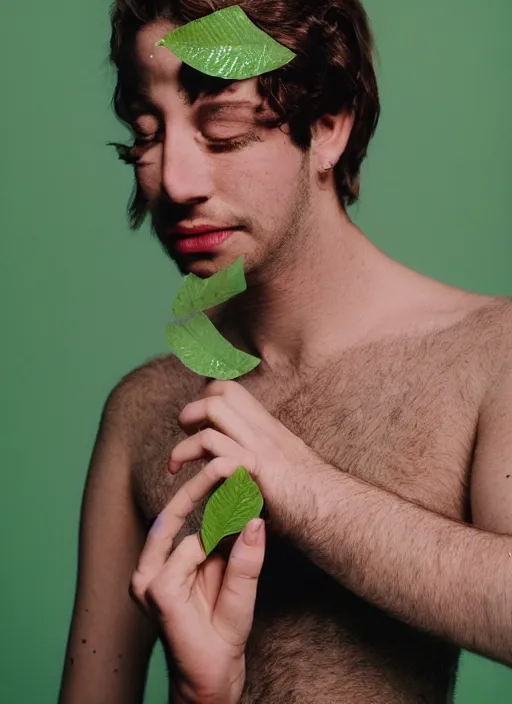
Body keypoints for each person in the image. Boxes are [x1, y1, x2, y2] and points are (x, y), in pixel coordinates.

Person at [58, 1, 512, 702]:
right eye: (145, 136)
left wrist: (304, 486)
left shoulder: (489, 355)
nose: (175, 184)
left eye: (223, 127)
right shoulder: (141, 411)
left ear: (329, 126)